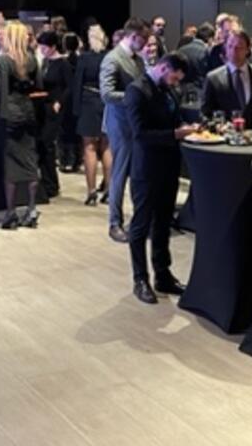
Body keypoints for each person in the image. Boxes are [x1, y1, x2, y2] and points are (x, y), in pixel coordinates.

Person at [124, 52, 196, 304]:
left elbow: (174, 118)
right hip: (146, 169)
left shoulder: (169, 90)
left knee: (163, 223)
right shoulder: (137, 91)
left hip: (169, 166)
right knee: (141, 225)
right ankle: (140, 278)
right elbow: (140, 134)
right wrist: (175, 134)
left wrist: (185, 127)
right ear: (164, 68)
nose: (175, 83)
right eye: (174, 78)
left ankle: (163, 274)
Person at [0, 21, 44, 229]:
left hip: (9, 116)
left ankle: (11, 212)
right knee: (30, 160)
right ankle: (32, 209)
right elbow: (38, 86)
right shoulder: (31, 60)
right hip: (28, 113)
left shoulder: (2, 61)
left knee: (10, 164)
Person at [100, 18, 149, 242]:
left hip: (135, 123)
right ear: (133, 36)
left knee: (137, 173)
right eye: (144, 38)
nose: (146, 42)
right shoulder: (113, 59)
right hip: (120, 124)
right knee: (119, 174)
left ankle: (137, 220)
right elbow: (107, 94)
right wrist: (135, 97)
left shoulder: (137, 59)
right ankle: (115, 223)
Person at [200, 30, 252, 126]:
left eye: (239, 47)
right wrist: (217, 126)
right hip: (226, 133)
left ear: (248, 49)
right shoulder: (213, 78)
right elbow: (205, 113)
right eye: (230, 46)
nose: (234, 51)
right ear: (225, 49)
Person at [73, 25, 112, 206]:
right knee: (107, 146)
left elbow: (77, 84)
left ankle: (91, 191)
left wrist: (76, 110)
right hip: (107, 103)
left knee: (89, 147)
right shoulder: (110, 57)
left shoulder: (84, 58)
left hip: (88, 102)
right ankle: (109, 190)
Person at [36, 31, 71, 200]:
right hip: (43, 106)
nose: (42, 50)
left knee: (48, 143)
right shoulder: (44, 62)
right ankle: (46, 181)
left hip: (55, 107)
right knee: (43, 145)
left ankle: (52, 184)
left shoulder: (62, 64)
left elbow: (69, 86)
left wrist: (60, 102)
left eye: (44, 47)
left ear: (53, 47)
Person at [60, 32, 84, 172]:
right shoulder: (82, 59)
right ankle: (77, 159)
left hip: (66, 98)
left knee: (65, 130)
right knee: (76, 130)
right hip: (79, 98)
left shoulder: (63, 61)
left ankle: (66, 160)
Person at [176, 22, 212, 86]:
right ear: (209, 39)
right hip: (198, 89)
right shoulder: (205, 52)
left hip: (181, 88)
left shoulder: (181, 50)